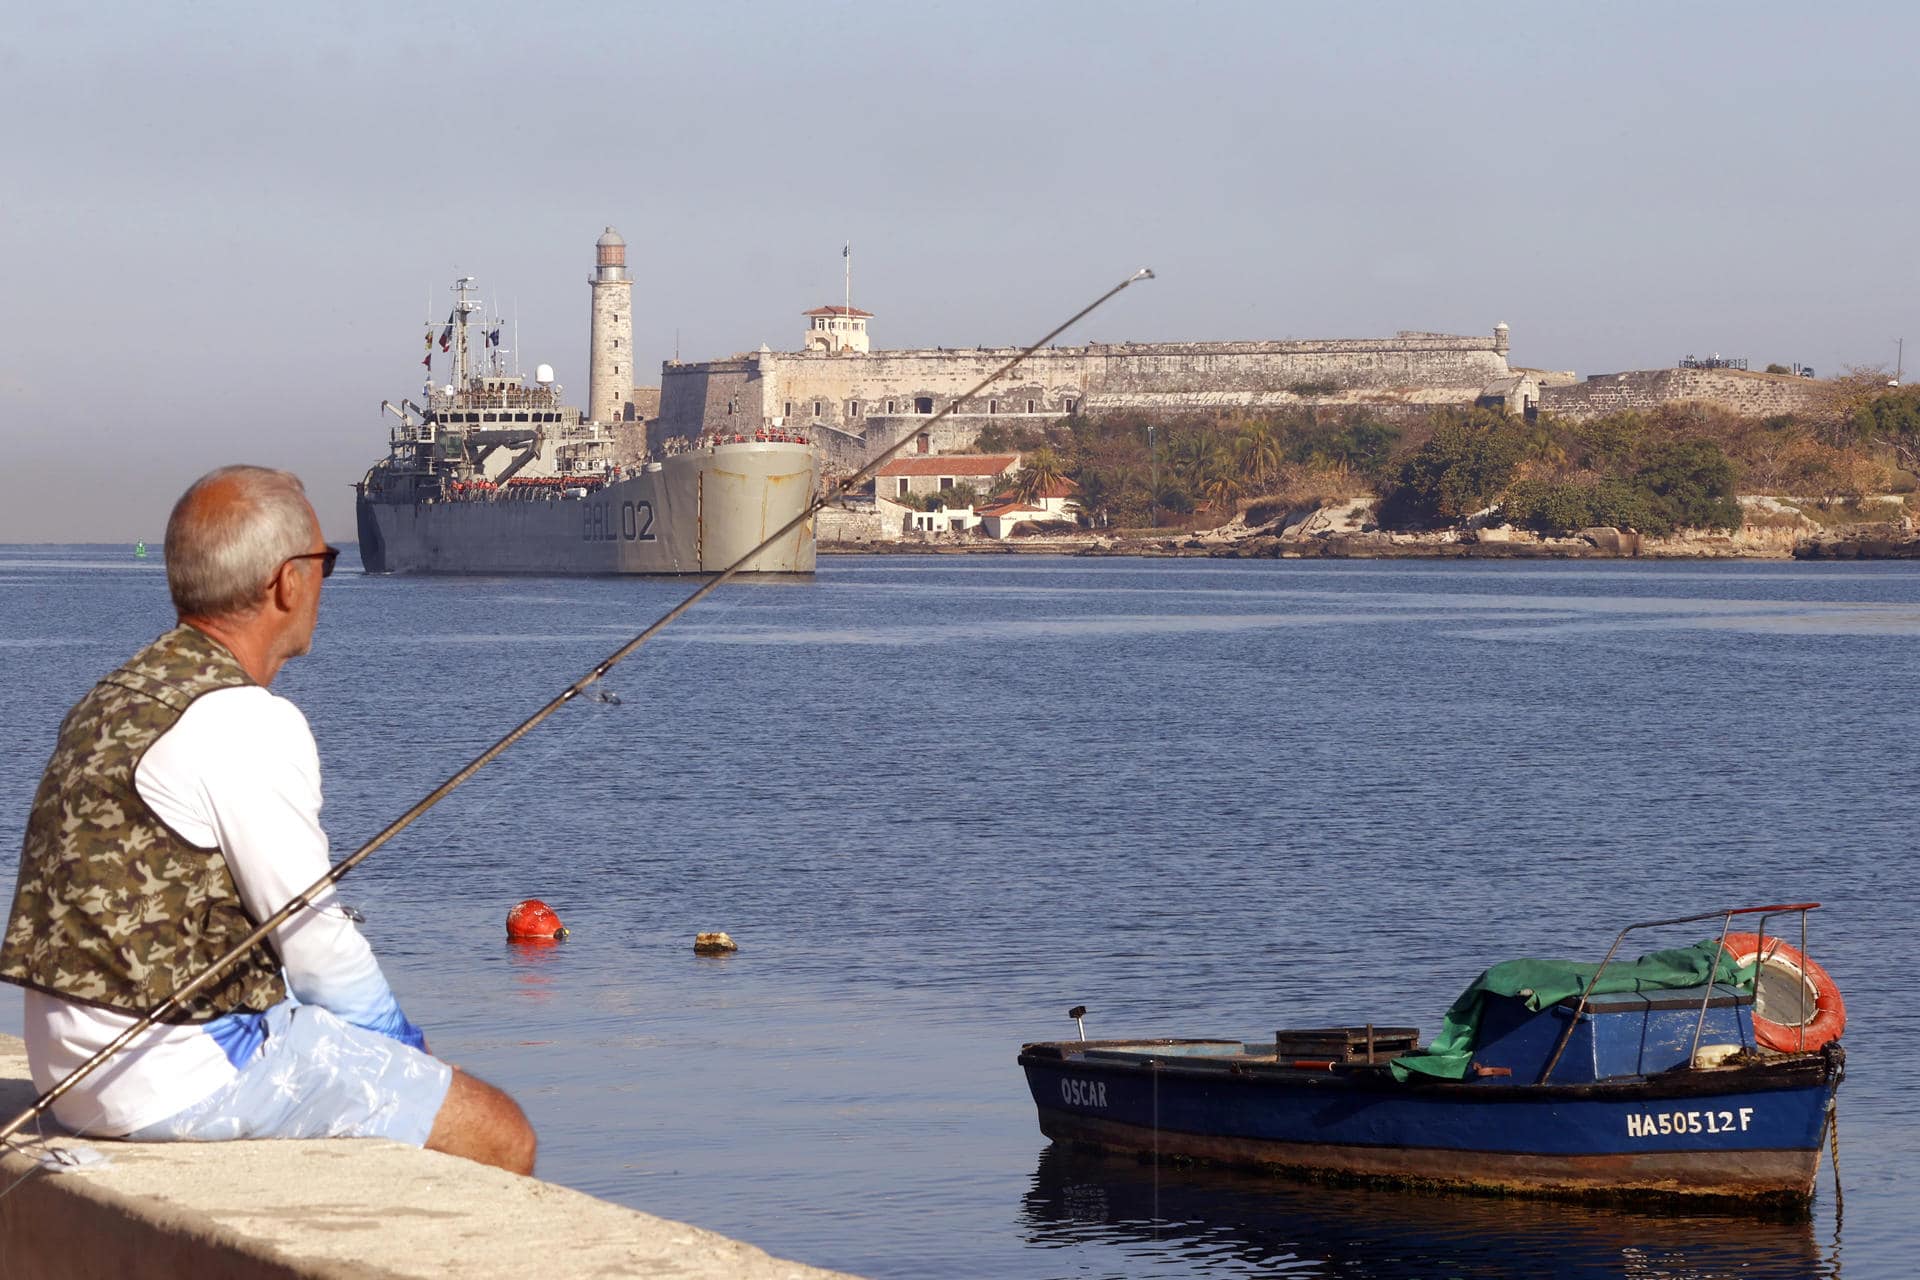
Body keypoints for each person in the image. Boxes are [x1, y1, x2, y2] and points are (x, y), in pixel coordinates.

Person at [0, 465, 535, 1173]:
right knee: (500, 1131)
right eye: (324, 564)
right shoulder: (244, 721)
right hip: (168, 1073)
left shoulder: (114, 695)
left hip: (70, 1067)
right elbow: (315, 947)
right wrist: (404, 1054)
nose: (323, 584)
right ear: (288, 582)